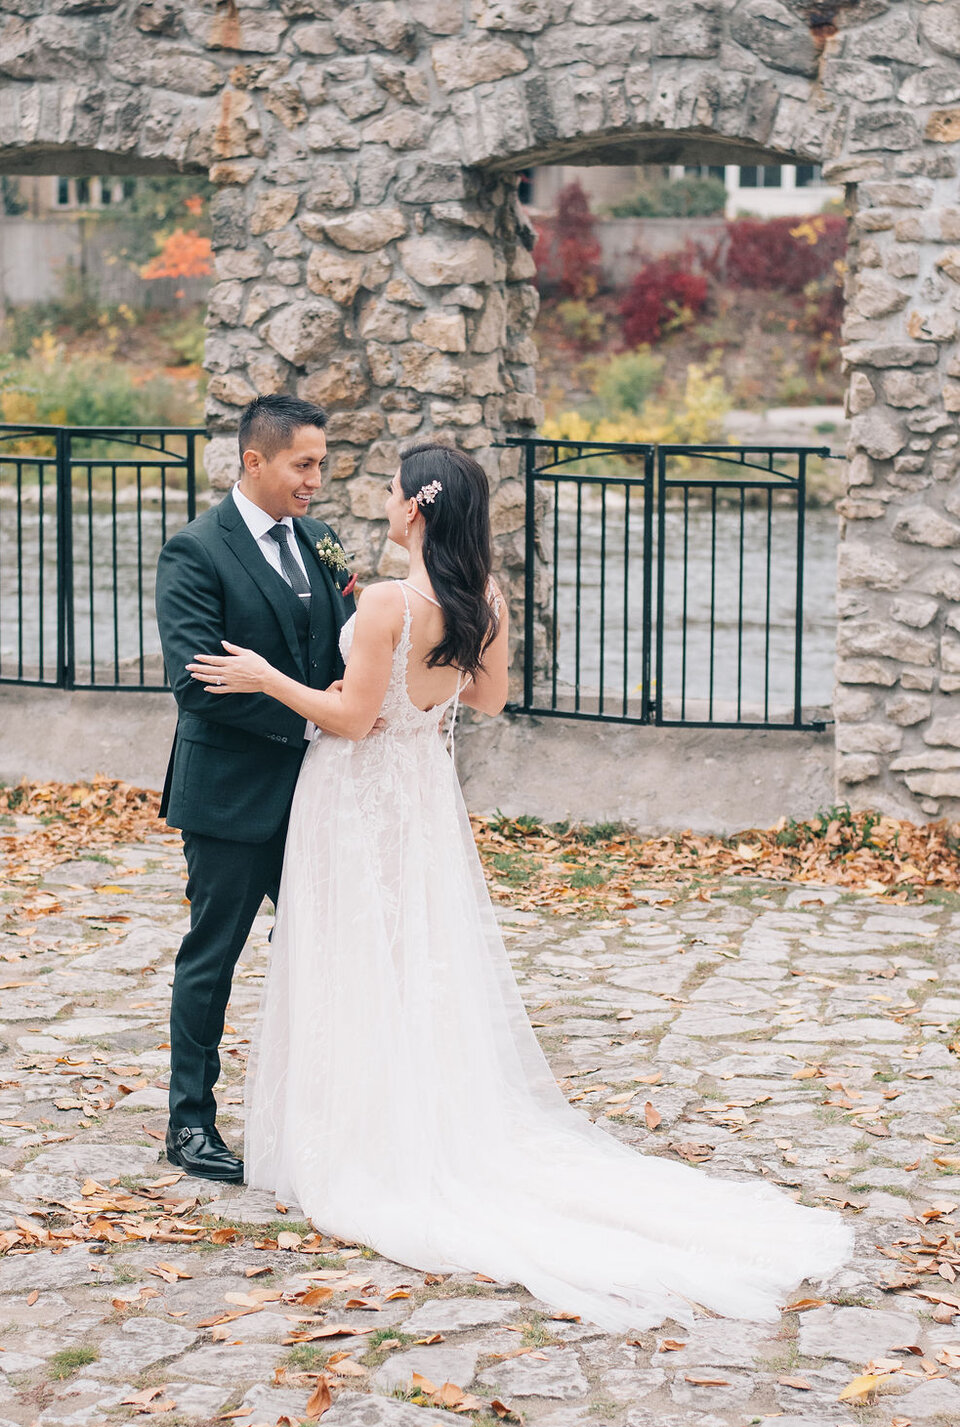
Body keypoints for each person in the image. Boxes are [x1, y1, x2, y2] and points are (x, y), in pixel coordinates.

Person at [187, 441, 852, 1331]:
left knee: (349, 954)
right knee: (408, 954)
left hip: (353, 799)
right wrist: (414, 684)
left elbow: (348, 719)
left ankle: (355, 1140)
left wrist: (271, 676)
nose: (380, 503)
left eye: (391, 492)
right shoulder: (480, 600)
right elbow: (489, 702)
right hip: (421, 796)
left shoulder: (387, 600)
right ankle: (411, 1118)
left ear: (415, 508)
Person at [155, 395, 355, 1184]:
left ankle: (322, 1113)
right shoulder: (195, 551)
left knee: (327, 949)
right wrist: (313, 723)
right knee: (214, 958)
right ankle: (189, 1125)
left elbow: (340, 649)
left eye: (321, 466)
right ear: (254, 462)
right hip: (231, 796)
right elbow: (197, 684)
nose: (314, 481)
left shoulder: (323, 541)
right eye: (303, 465)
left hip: (317, 795)